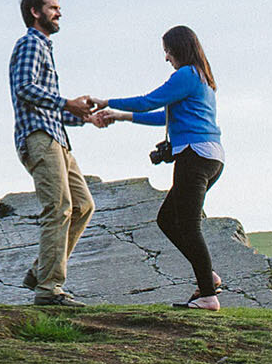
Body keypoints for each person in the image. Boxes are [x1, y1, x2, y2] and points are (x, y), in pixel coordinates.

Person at [92, 26, 226, 309]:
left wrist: (106, 101)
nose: (166, 57)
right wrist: (120, 116)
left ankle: (208, 296)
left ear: (178, 49)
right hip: (211, 158)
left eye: (167, 50)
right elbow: (164, 117)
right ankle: (207, 278)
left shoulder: (186, 74)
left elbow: (148, 101)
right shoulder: (202, 78)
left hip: (195, 155)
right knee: (167, 219)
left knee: (189, 226)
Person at [9, 0, 101, 308]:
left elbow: (49, 106)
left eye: (59, 7)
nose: (59, 13)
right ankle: (49, 289)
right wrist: (66, 102)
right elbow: (24, 89)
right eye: (53, 7)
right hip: (39, 137)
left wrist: (85, 116)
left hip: (58, 137)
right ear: (36, 12)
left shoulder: (45, 48)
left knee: (83, 205)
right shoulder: (30, 43)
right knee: (59, 206)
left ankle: (41, 270)